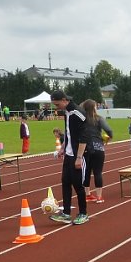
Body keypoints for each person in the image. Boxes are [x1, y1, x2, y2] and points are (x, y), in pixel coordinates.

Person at [49, 90, 89, 225]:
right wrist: (63, 148)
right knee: (65, 182)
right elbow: (68, 133)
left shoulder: (78, 114)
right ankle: (66, 213)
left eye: (57, 104)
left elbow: (84, 137)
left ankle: (83, 213)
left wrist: (79, 157)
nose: (56, 107)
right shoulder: (66, 113)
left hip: (78, 155)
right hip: (69, 154)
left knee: (78, 185)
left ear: (64, 100)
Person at [80, 99, 113, 204]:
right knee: (98, 172)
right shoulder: (99, 119)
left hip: (85, 147)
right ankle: (99, 197)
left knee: (87, 172)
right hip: (98, 147)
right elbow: (109, 130)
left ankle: (87, 195)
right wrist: (109, 138)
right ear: (94, 108)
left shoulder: (82, 119)